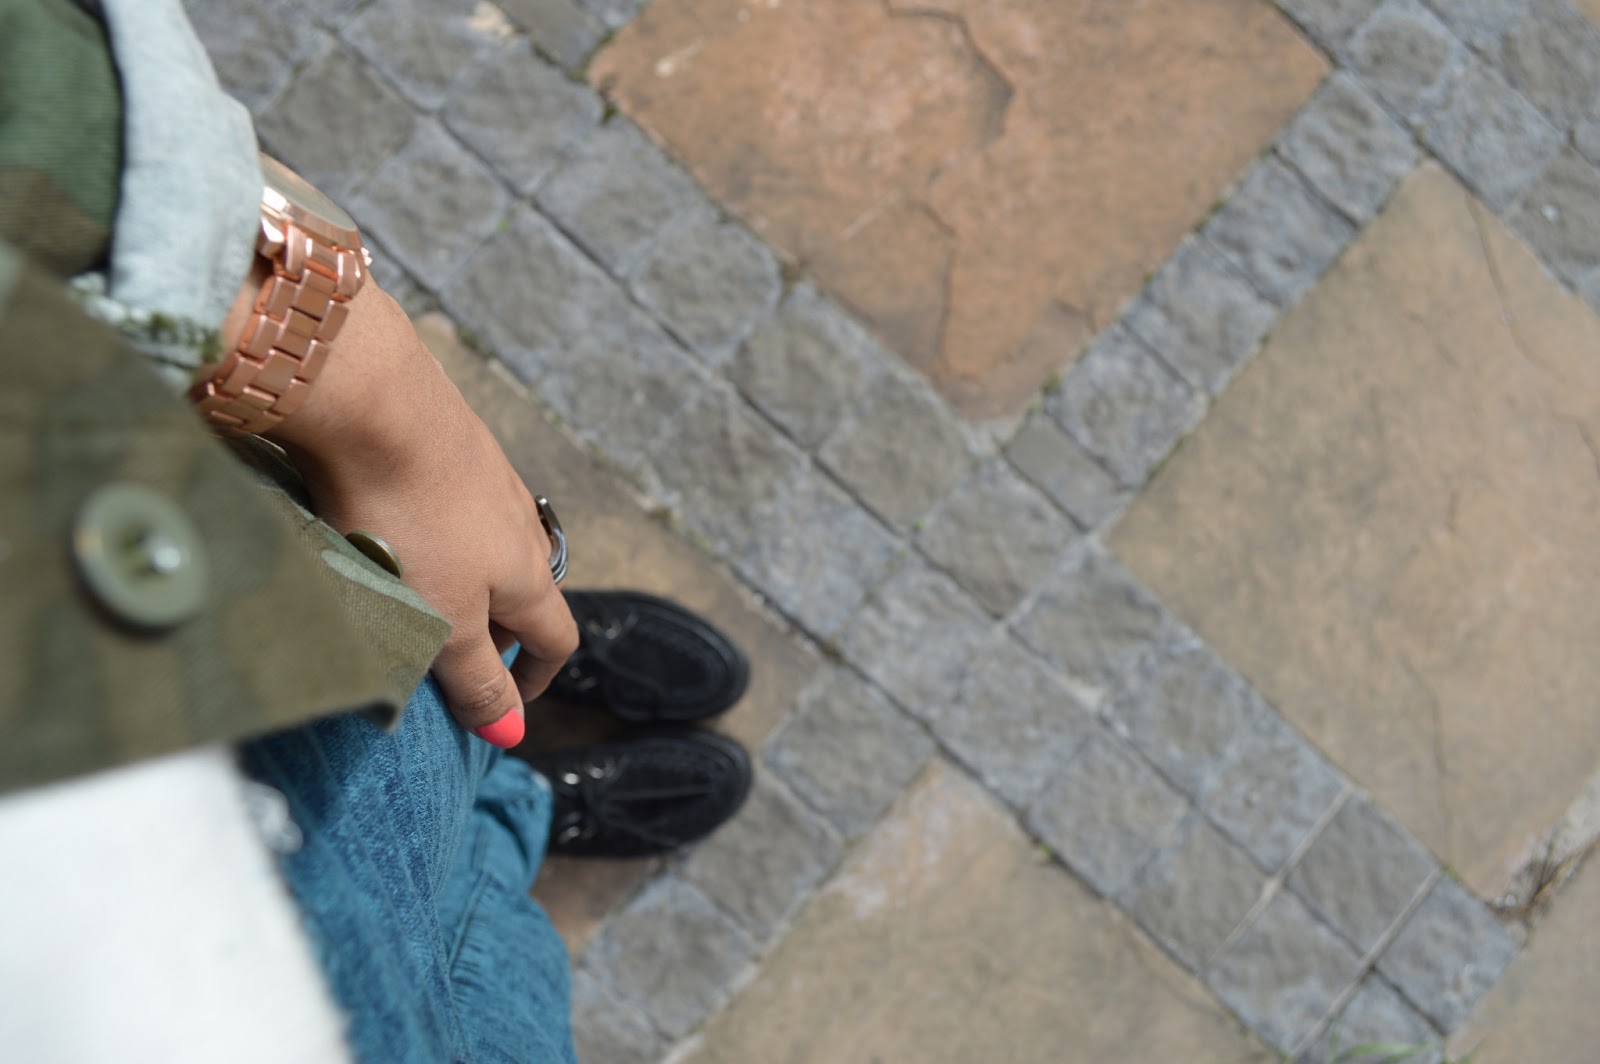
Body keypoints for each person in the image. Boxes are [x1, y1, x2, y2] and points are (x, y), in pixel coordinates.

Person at [0, 0, 752, 1059]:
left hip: (176, 674)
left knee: (427, 676)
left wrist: (334, 367)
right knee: (485, 959)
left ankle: (489, 678)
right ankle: (514, 807)